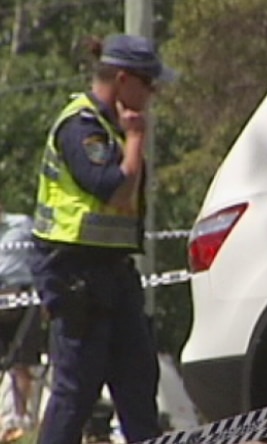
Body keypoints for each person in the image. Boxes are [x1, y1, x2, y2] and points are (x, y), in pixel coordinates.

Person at [27, 33, 174, 444]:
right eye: (149, 83)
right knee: (76, 391)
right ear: (124, 80)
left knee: (138, 381)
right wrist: (136, 137)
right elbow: (114, 189)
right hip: (73, 273)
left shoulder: (110, 128)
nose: (153, 93)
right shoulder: (82, 127)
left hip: (112, 271)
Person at [0, 202, 43, 442]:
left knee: (22, 361)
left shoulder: (22, 225)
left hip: (23, 296)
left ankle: (18, 418)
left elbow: (40, 251)